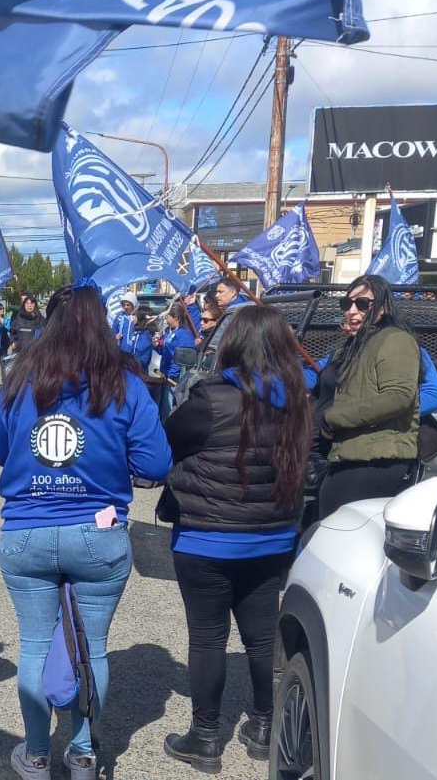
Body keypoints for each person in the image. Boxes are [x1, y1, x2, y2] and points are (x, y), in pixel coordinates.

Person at [0, 283, 172, 780]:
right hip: (99, 533)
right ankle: (84, 752)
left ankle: (35, 754)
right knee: (93, 647)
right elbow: (157, 461)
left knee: (34, 645)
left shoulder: (20, 377)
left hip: (26, 530)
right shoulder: (125, 383)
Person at [160, 306, 312, 770]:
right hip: (271, 538)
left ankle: (206, 737)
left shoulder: (211, 398)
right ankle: (264, 726)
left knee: (207, 638)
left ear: (234, 343)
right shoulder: (298, 400)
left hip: (206, 538)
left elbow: (165, 442)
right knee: (262, 636)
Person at [314, 275, 420, 518]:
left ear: (382, 308)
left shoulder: (396, 339)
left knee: (343, 532)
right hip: (345, 453)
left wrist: (333, 418)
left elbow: (398, 396)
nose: (352, 310)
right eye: (347, 304)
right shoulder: (352, 344)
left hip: (376, 459)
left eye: (362, 304)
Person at [159, 304, 197, 417]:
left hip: (175, 377)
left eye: (167, 317)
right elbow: (165, 352)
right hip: (166, 374)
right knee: (165, 406)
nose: (165, 320)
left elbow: (182, 357)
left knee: (170, 406)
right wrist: (157, 346)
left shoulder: (184, 335)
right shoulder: (169, 332)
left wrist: (171, 374)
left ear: (176, 318)